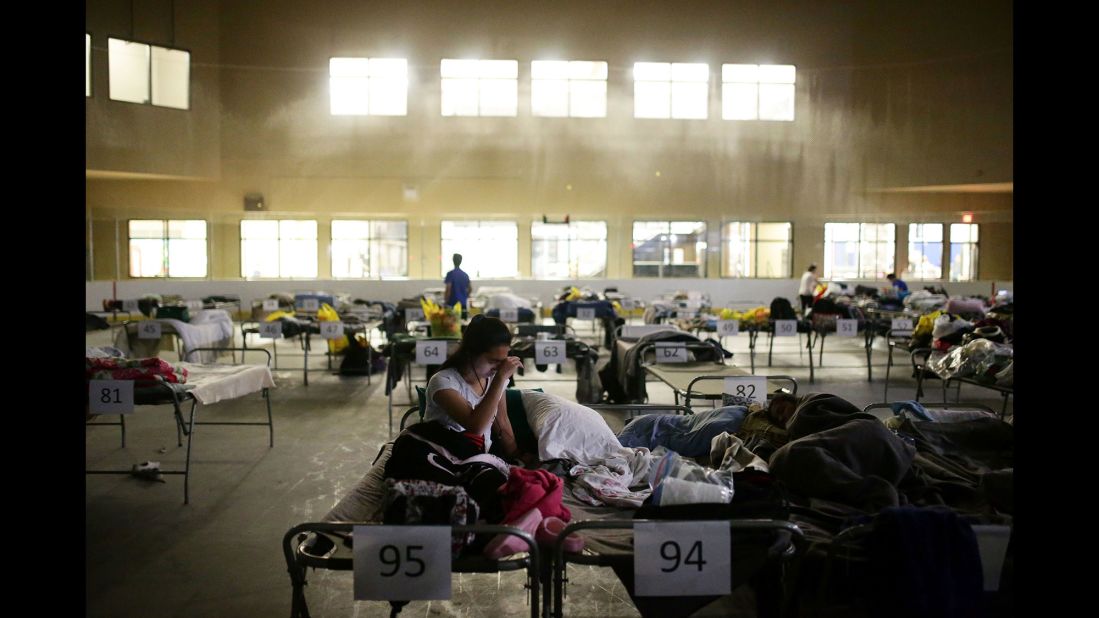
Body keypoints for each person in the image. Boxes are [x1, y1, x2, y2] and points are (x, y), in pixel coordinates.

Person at [424, 314, 530, 462]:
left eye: (502, 362)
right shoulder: (443, 381)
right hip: (445, 457)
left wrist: (517, 456)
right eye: (493, 361)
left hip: (478, 457)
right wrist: (499, 380)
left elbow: (502, 422)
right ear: (470, 353)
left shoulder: (493, 379)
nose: (499, 368)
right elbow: (476, 427)